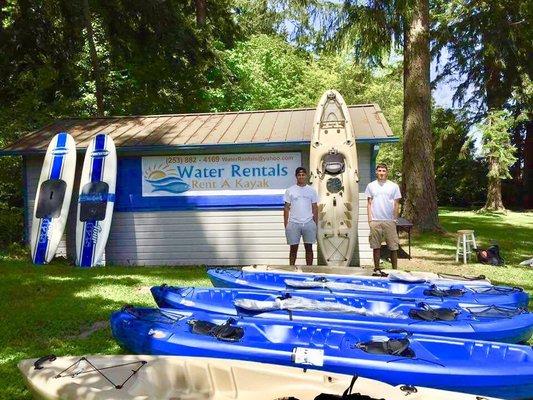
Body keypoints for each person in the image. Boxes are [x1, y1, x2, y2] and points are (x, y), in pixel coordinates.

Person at [365, 163, 402, 270]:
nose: (381, 173)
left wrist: (394, 219)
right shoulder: (371, 186)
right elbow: (369, 203)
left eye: (383, 171)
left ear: (387, 172)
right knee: (376, 247)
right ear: (376, 172)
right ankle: (377, 269)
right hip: (375, 221)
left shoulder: (394, 186)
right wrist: (369, 220)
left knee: (393, 247)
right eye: (379, 171)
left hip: (389, 221)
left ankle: (395, 270)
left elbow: (396, 204)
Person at [283, 167, 318, 265]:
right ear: (296, 176)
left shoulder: (312, 191)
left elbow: (315, 207)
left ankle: (309, 270)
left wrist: (315, 223)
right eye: (299, 175)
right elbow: (286, 207)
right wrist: (286, 224)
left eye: (303, 175)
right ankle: (291, 270)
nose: (301, 177)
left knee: (309, 248)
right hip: (294, 223)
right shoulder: (290, 190)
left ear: (306, 176)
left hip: (308, 222)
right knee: (293, 249)